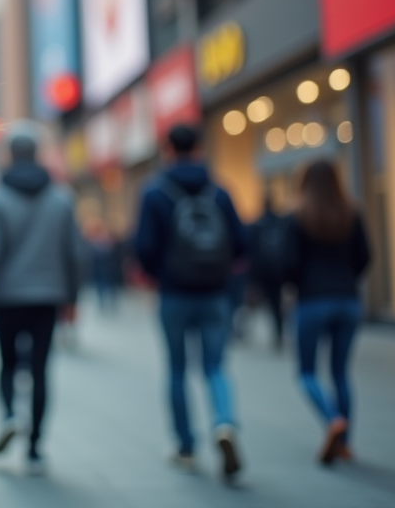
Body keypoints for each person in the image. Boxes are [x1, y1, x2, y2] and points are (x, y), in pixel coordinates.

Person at [134, 124, 247, 482]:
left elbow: (144, 247)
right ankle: (224, 422)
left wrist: (161, 274)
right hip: (215, 292)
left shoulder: (155, 192)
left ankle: (185, 446)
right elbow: (243, 242)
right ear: (199, 147)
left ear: (168, 150)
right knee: (215, 365)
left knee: (177, 370)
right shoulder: (219, 191)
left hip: (175, 294)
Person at [0, 122, 82, 474]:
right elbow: (74, 253)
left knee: (8, 364)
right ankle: (36, 448)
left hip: (8, 296)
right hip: (48, 296)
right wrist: (72, 297)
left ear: (11, 154)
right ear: (37, 153)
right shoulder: (61, 198)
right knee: (40, 370)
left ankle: (10, 414)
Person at [285, 160, 371, 465]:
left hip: (312, 301)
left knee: (307, 372)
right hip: (347, 300)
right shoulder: (352, 212)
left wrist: (300, 284)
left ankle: (333, 419)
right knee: (341, 373)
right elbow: (365, 257)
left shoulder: (297, 216)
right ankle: (345, 443)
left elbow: (289, 263)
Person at [249, 194, 289, 350]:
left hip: (261, 272)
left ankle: (242, 331)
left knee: (252, 303)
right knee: (276, 303)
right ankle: (278, 332)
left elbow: (252, 251)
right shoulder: (280, 223)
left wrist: (252, 277)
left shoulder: (257, 225)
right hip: (277, 271)